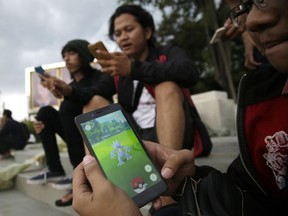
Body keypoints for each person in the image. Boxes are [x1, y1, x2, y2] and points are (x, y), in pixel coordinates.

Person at [72, 0, 288, 215]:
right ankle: (99, 181)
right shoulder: (116, 69)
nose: (123, 37)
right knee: (94, 103)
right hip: (137, 139)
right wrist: (68, 91)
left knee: (166, 85)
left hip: (175, 137)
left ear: (147, 32)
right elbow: (91, 93)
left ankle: (166, 188)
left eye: (129, 29)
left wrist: (134, 68)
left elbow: (189, 72)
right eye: (118, 34)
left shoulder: (166, 52)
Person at [26, 39, 113, 207]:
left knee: (67, 107)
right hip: (76, 137)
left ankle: (80, 175)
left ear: (84, 54)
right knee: (44, 114)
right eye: (64, 55)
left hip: (98, 136)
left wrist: (70, 92)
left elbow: (96, 94)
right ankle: (55, 168)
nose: (67, 58)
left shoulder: (101, 76)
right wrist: (46, 123)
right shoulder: (71, 84)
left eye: (72, 53)